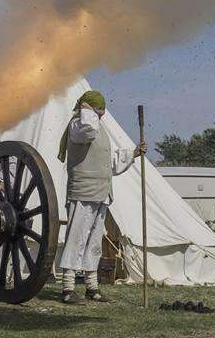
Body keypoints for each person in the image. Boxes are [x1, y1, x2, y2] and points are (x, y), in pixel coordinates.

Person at [56, 90, 146, 305]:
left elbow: (109, 161)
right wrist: (85, 110)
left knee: (94, 241)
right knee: (76, 239)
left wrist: (132, 154)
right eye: (98, 111)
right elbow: (87, 131)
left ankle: (92, 287)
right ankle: (68, 288)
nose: (101, 116)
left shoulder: (98, 127)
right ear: (89, 108)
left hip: (101, 191)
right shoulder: (78, 124)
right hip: (83, 190)